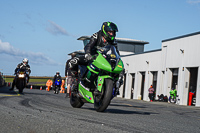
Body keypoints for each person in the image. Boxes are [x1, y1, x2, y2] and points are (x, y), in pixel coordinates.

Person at [69, 21, 122, 90]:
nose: (112, 34)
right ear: (105, 31)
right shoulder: (96, 35)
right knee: (73, 62)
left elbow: (116, 52)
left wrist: (118, 60)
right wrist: (88, 54)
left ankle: (116, 86)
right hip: (93, 56)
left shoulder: (113, 41)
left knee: (121, 70)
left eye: (113, 32)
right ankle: (76, 79)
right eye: (110, 32)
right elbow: (89, 45)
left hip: (104, 59)